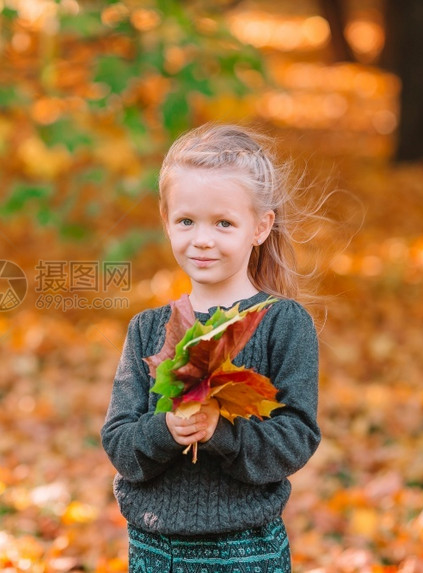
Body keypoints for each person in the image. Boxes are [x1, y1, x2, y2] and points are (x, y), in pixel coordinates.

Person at [101, 123, 322, 572]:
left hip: (246, 547)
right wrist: (163, 429)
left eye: (224, 223)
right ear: (166, 221)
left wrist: (222, 431)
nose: (202, 239)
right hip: (154, 547)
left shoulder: (283, 323)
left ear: (260, 227)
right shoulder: (148, 329)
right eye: (187, 221)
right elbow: (118, 441)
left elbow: (297, 436)